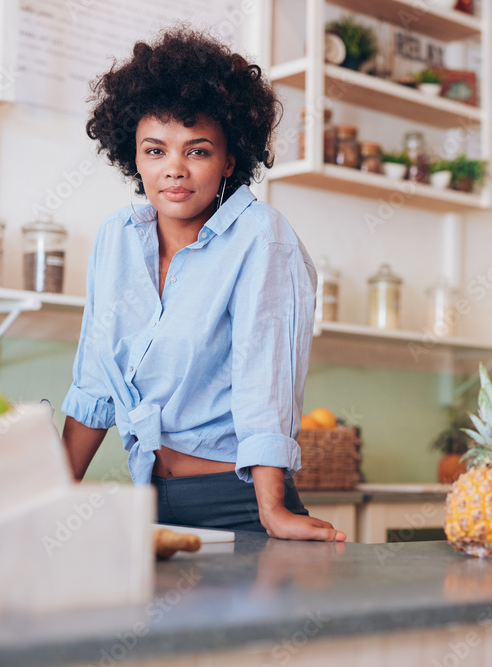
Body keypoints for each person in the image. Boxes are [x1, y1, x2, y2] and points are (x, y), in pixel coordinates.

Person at [61, 27, 344, 542]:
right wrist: (51, 496)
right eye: (155, 150)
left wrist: (271, 510)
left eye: (197, 151)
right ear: (134, 157)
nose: (174, 169)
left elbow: (266, 382)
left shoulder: (261, 237)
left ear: (229, 161)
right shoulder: (116, 240)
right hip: (150, 506)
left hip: (237, 504)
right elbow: (95, 384)